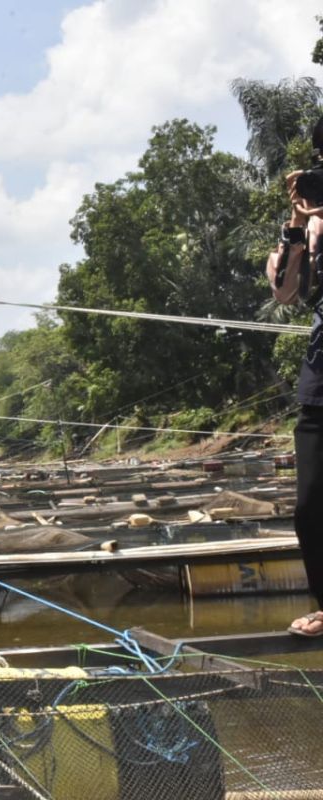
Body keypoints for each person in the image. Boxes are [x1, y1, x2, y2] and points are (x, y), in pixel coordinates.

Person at [281, 119, 323, 638]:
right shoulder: (313, 223)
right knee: (311, 502)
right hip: (321, 377)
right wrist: (297, 223)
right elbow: (284, 292)